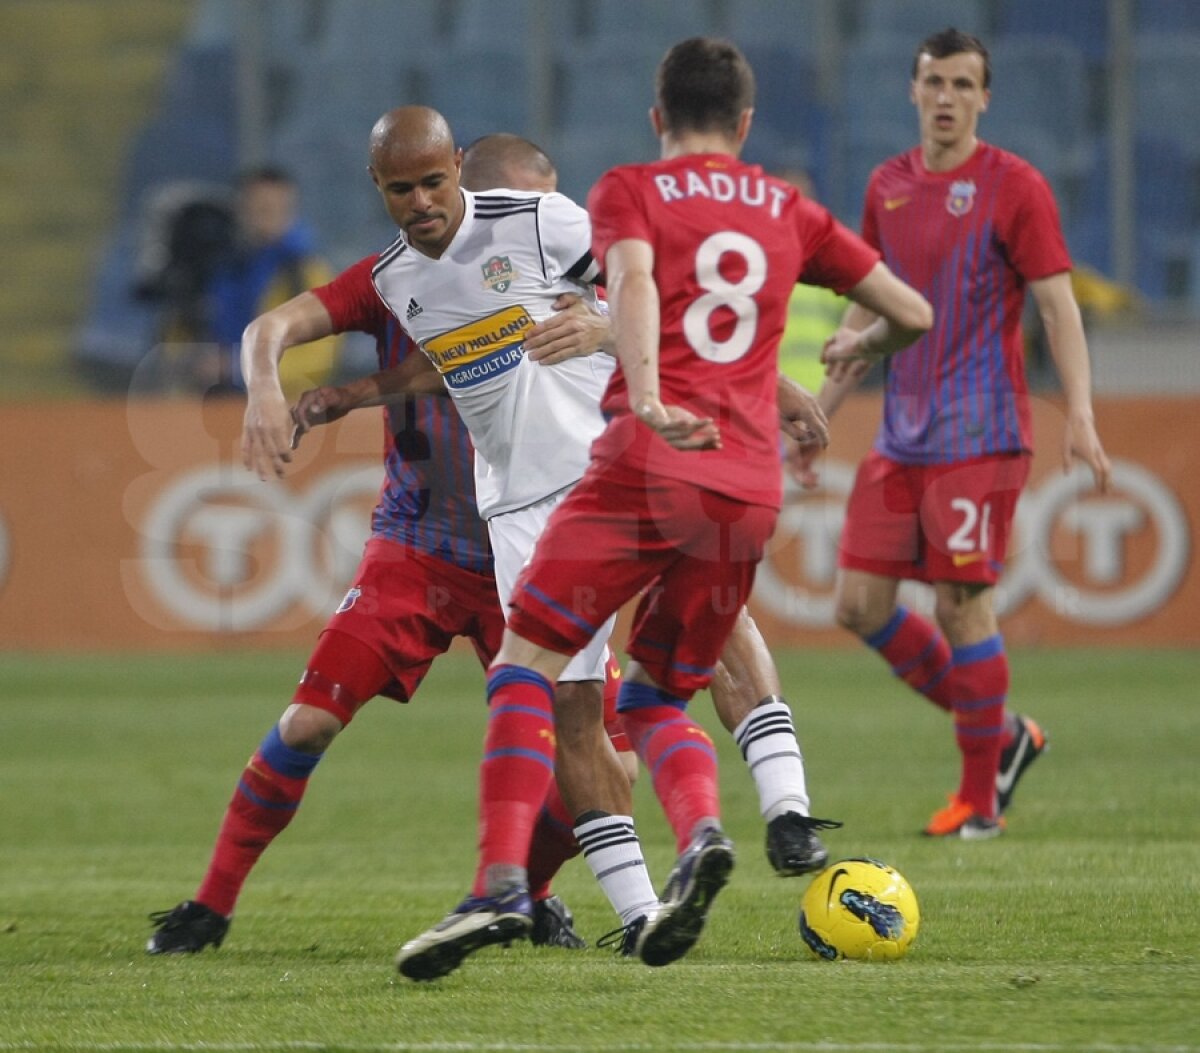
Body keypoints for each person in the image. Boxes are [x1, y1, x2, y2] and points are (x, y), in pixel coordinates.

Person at [392, 41, 931, 978]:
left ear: (655, 117)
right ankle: (669, 891)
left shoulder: (600, 206)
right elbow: (760, 312)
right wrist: (782, 382)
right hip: (604, 487)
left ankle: (510, 879)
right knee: (614, 697)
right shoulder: (407, 276)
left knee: (557, 673)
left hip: (628, 466)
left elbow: (643, 291)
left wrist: (631, 368)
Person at [144, 136, 616, 956]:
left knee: (603, 770)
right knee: (307, 722)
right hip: (422, 549)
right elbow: (278, 325)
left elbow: (641, 325)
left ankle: (524, 895)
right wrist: (267, 387)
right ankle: (210, 902)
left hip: (543, 549)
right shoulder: (394, 280)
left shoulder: (568, 273)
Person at [801, 28, 1112, 839]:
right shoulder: (887, 186)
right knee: (857, 605)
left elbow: (1057, 306)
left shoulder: (1016, 186)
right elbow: (867, 313)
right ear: (912, 91)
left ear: (984, 97)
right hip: (901, 434)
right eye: (933, 82)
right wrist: (818, 416)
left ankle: (980, 801)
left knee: (962, 605)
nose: (946, 98)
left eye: (962, 85)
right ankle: (1003, 729)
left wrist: (1078, 410)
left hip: (981, 431)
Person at [201, 166, 342, 398]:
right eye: (257, 209)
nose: (265, 219)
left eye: (275, 210)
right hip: (219, 404)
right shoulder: (226, 268)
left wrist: (237, 368)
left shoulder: (308, 275)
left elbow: (317, 359)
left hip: (284, 410)